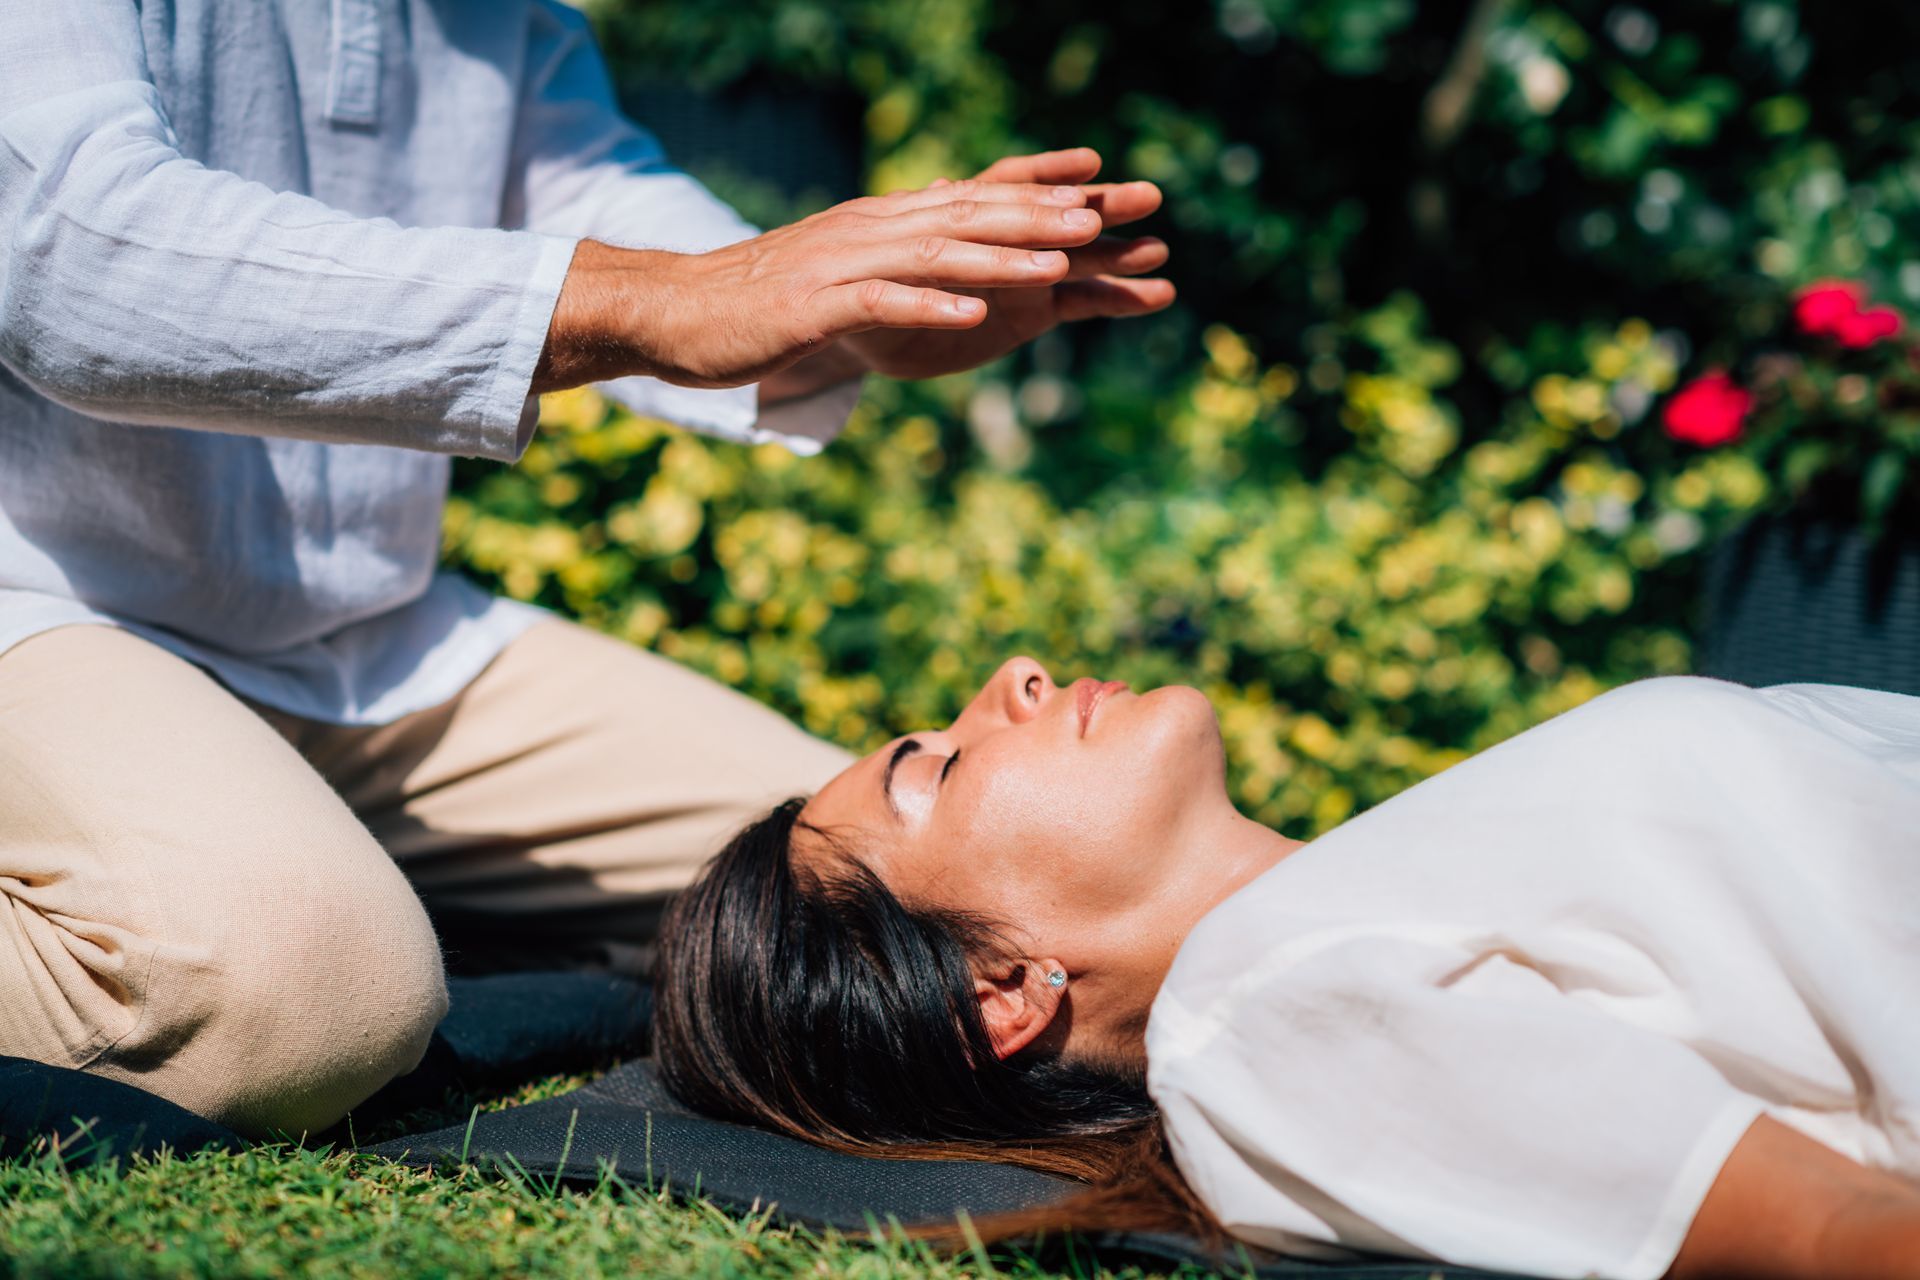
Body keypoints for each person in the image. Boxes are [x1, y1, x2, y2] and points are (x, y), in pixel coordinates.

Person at [0, 0, 1173, 1138]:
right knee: (302, 994)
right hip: (39, 603)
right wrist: (666, 297)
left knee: (869, 899)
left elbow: (575, 188)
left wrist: (857, 312)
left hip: (372, 645)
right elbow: (68, 243)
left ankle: (302, 865)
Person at [654, 659, 1920, 1280]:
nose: (1012, 678)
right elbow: (1837, 1232)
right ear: (1002, 989)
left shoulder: (1375, 890)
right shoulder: (1263, 1025)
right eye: (936, 765)